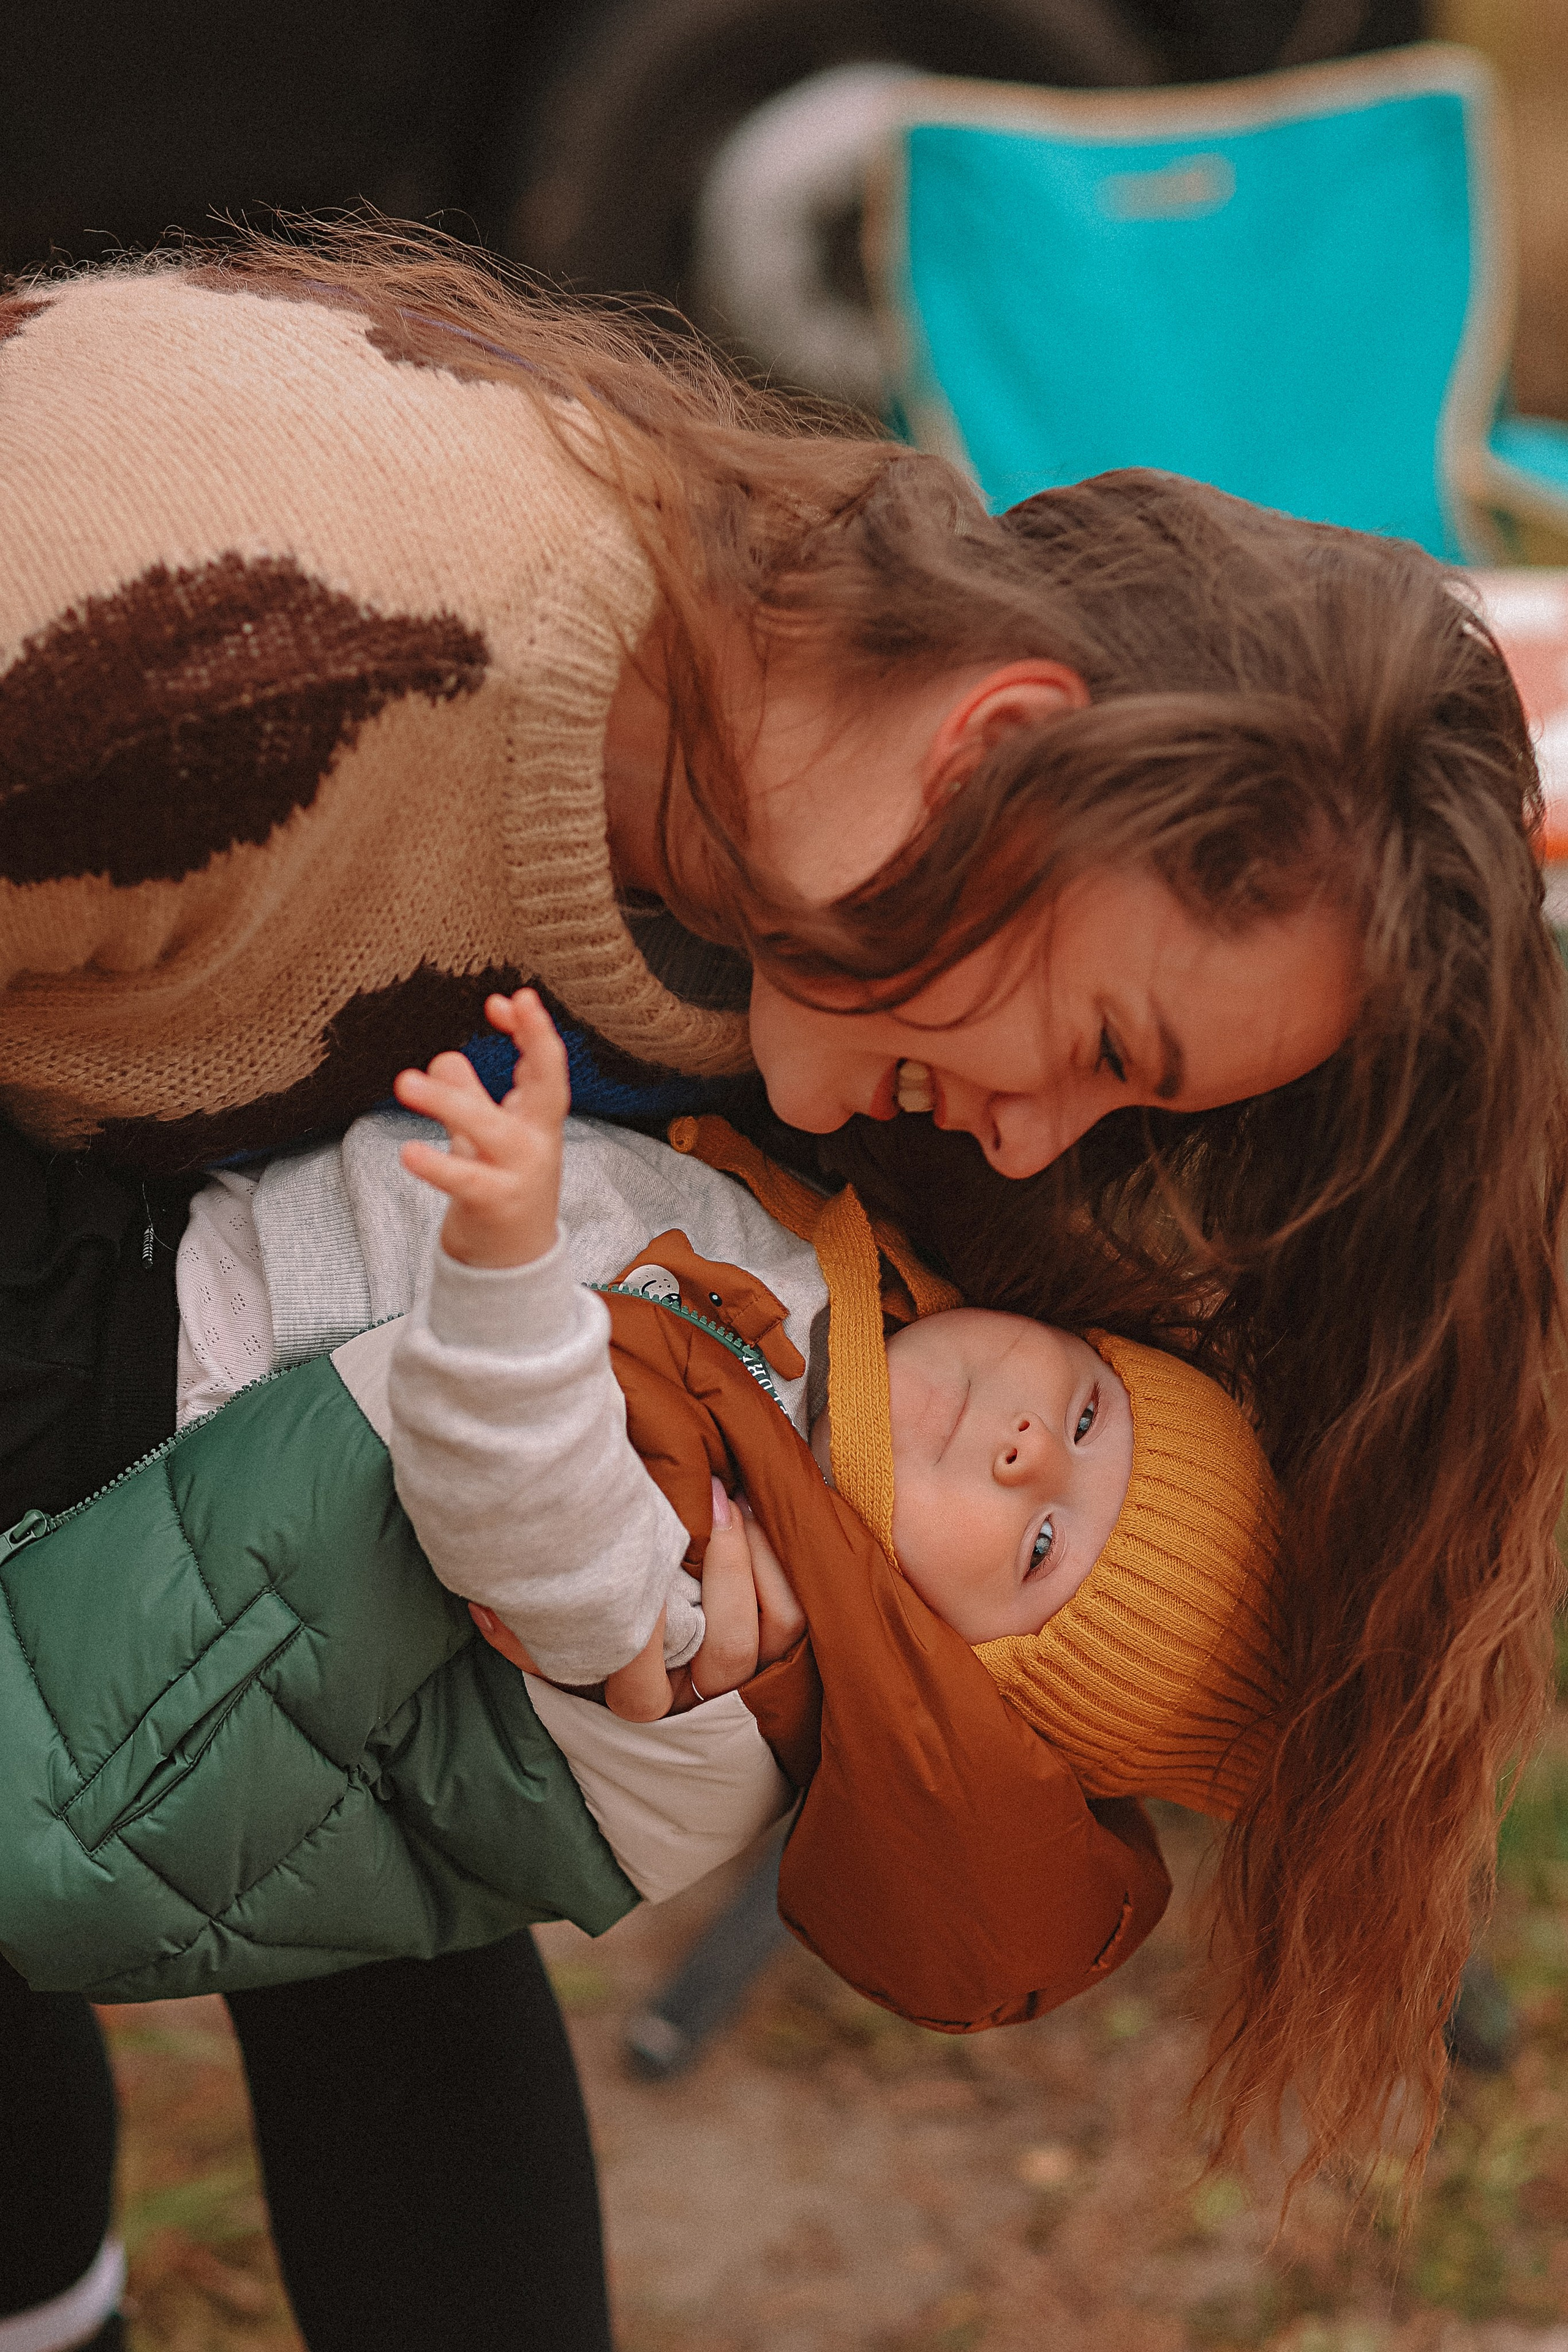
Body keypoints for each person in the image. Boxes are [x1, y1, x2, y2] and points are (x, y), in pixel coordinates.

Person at [0, 218, 1564, 2341]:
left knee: (357, 1847)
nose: (1028, 1145)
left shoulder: (814, 989)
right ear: (996, 749)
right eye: (1105, 1052)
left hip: (193, 1370)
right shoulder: (227, 632)